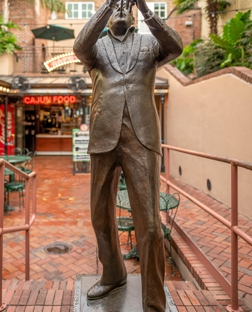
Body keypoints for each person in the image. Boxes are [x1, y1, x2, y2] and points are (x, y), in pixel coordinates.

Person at [73, 0, 182, 311]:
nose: (121, 7)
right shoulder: (95, 48)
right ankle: (113, 273)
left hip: (142, 137)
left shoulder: (150, 43)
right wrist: (107, 5)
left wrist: (148, 9)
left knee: (148, 224)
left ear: (134, 11)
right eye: (115, 4)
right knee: (99, 215)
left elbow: (177, 47)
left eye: (125, 4)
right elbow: (79, 46)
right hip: (103, 135)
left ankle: (154, 302)